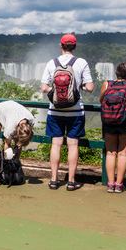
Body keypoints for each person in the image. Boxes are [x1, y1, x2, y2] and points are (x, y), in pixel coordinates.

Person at [41, 34, 94, 191]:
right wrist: (78, 89)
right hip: (76, 111)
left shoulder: (52, 63)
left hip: (55, 111)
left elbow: (44, 88)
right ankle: (71, 182)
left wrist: (56, 91)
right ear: (75, 47)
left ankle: (53, 180)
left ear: (61, 46)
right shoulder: (81, 62)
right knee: (73, 145)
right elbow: (90, 88)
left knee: (56, 145)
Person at [99, 63, 126, 193]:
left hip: (108, 121)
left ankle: (110, 184)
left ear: (115, 71)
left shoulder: (106, 84)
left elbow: (101, 100)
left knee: (110, 152)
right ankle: (119, 185)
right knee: (123, 154)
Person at [0, 100, 34, 183]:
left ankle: (14, 168)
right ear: (16, 131)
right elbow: (7, 145)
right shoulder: (11, 127)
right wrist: (6, 167)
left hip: (12, 114)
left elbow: (20, 142)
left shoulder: (30, 121)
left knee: (18, 145)